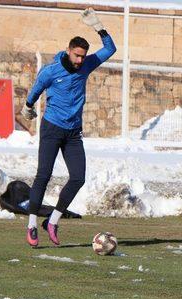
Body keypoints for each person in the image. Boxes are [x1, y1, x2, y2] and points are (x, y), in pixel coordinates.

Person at [20, 8, 116, 247]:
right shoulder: (52, 71)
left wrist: (99, 27)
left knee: (78, 178)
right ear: (68, 51)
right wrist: (28, 107)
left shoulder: (86, 65)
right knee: (44, 175)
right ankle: (32, 224)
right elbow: (35, 90)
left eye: (83, 56)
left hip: (73, 132)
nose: (80, 60)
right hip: (52, 128)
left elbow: (110, 49)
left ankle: (52, 221)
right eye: (76, 55)